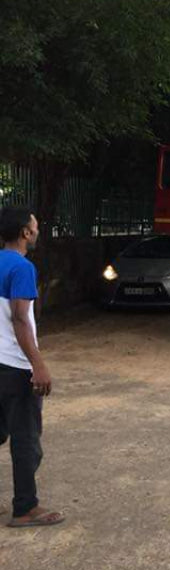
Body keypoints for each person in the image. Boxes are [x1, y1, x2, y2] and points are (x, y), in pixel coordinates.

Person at [0, 206, 63, 526]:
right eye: (35, 227)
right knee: (25, 440)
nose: (37, 231)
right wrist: (38, 365)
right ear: (25, 232)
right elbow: (21, 318)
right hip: (14, 366)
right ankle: (25, 508)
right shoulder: (21, 267)